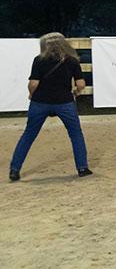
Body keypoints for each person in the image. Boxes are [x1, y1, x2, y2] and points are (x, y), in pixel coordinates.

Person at [9, 32, 91, 182]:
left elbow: (34, 83)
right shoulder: (72, 61)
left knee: (28, 135)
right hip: (64, 102)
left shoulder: (38, 60)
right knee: (75, 134)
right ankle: (82, 168)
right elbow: (81, 84)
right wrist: (76, 93)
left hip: (40, 102)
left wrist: (31, 95)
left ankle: (14, 170)